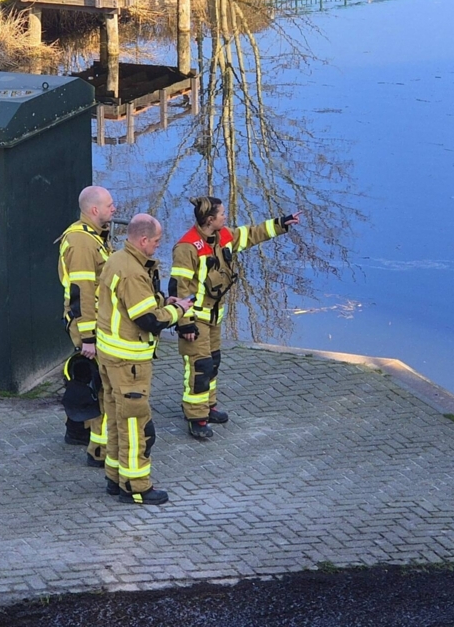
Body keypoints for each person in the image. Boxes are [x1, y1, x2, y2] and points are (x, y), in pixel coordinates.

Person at [169, 196, 301, 439]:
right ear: (210, 220)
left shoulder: (224, 236)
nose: (225, 217)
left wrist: (282, 223)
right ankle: (195, 417)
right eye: (222, 214)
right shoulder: (187, 247)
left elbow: (251, 234)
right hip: (195, 319)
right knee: (200, 366)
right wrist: (184, 323)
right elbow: (178, 288)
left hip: (214, 315)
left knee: (213, 362)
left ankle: (208, 406)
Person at [96, 214, 192, 505]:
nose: (158, 246)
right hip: (129, 362)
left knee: (116, 418)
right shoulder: (134, 272)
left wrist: (165, 302)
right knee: (137, 426)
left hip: (110, 356)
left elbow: (134, 305)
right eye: (156, 241)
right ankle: (136, 487)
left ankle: (115, 478)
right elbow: (147, 319)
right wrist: (179, 312)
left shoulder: (117, 259)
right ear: (143, 240)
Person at [57, 186, 116, 466]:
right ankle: (97, 449)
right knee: (99, 386)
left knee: (85, 378)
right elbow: (82, 293)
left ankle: (76, 429)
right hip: (88, 326)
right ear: (94, 210)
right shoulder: (82, 243)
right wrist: (89, 337)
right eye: (109, 205)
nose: (113, 209)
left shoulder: (93, 236)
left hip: (91, 323)